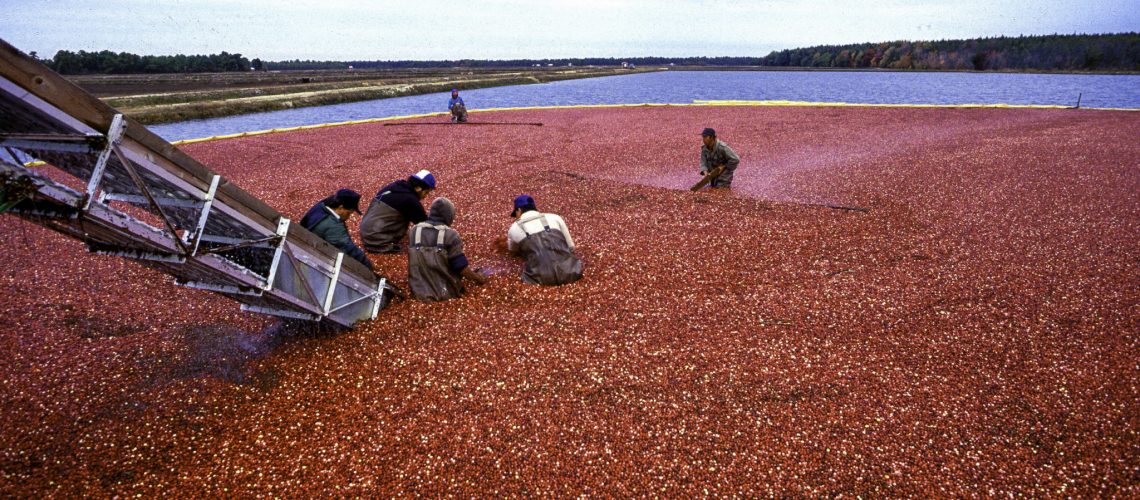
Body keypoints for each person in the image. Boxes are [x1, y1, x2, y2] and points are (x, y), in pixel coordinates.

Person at [407, 197, 487, 301]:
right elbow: (461, 267)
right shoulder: (451, 235)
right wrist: (478, 278)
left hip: (418, 292)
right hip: (445, 292)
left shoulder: (414, 230)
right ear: (449, 216)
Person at [506, 194, 583, 285]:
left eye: (516, 214)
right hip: (572, 272)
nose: (516, 217)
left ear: (519, 210)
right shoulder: (555, 218)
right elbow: (571, 247)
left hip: (537, 278)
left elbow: (513, 251)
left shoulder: (513, 228)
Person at [360, 170, 436, 254]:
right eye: (426, 192)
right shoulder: (410, 200)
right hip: (377, 242)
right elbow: (424, 223)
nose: (425, 196)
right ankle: (385, 243)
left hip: (365, 233)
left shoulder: (395, 186)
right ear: (418, 188)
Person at [299, 188, 373, 270]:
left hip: (306, 243)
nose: (348, 217)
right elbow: (348, 248)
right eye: (349, 213)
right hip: (312, 257)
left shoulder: (322, 206)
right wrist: (368, 265)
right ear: (341, 207)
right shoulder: (333, 226)